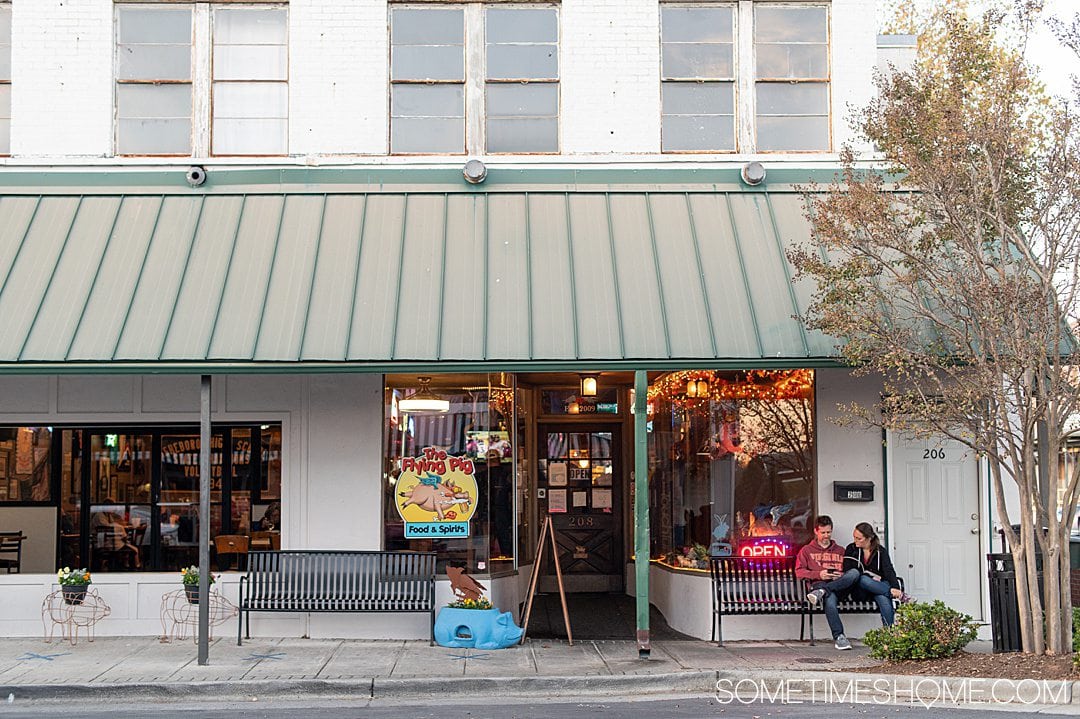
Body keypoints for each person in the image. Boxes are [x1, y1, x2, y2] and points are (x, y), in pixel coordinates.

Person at [796, 515, 859, 650]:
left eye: (828, 532)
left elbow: (849, 571)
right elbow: (799, 572)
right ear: (816, 531)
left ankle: (822, 591)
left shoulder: (841, 550)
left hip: (839, 585)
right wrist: (819, 574)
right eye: (823, 532)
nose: (826, 535)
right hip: (818, 583)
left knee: (854, 573)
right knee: (830, 598)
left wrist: (840, 575)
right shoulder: (806, 550)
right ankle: (839, 637)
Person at [842, 522, 915, 630]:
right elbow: (848, 570)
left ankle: (889, 633)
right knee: (863, 579)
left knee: (883, 599)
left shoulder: (880, 551)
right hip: (860, 590)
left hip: (878, 588)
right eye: (854, 537)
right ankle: (898, 595)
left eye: (859, 538)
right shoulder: (851, 549)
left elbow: (889, 570)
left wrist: (895, 587)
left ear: (869, 538)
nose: (855, 540)